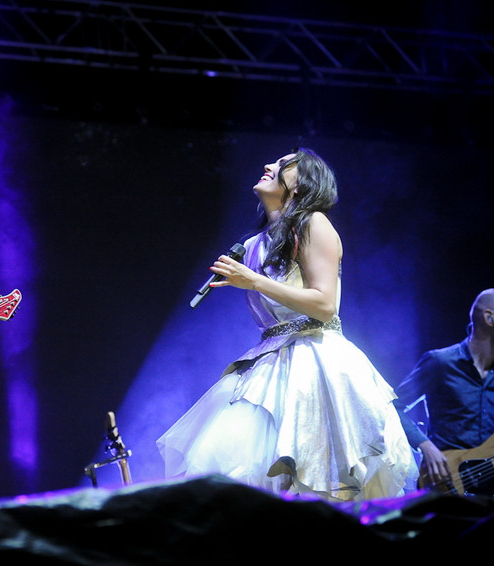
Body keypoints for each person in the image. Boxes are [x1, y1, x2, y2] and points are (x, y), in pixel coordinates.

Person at [157, 148, 417, 502]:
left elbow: (325, 305)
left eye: (283, 165)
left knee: (317, 473)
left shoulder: (313, 223)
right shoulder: (252, 245)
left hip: (316, 362)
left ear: (302, 184)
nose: (268, 166)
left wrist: (254, 281)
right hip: (270, 361)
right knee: (245, 477)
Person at [393, 288, 494, 493]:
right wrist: (426, 446)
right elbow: (392, 408)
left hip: (491, 485)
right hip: (443, 479)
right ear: (489, 318)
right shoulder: (440, 362)